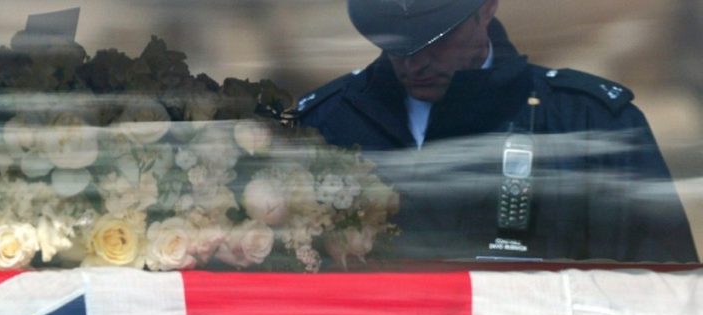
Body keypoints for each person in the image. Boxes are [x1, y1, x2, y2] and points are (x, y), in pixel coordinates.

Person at [296, 0, 698, 263]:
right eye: (394, 45)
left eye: (436, 40)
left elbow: (659, 308)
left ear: (486, 10)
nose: (413, 63)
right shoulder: (323, 125)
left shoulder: (590, 123)